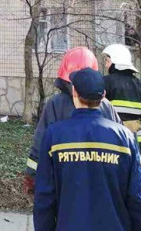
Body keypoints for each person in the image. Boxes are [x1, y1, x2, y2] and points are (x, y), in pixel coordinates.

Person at [33, 67, 141, 231]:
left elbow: (44, 198)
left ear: (74, 92)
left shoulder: (54, 136)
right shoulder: (125, 138)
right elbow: (139, 198)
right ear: (104, 96)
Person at [24, 47, 121, 194]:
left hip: (65, 185)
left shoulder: (55, 104)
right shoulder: (107, 106)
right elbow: (123, 147)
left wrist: (32, 178)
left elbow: (41, 144)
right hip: (103, 184)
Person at [102, 43, 141, 165]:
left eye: (107, 60)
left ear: (115, 60)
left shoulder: (104, 83)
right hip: (137, 145)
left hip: (111, 144)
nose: (106, 64)